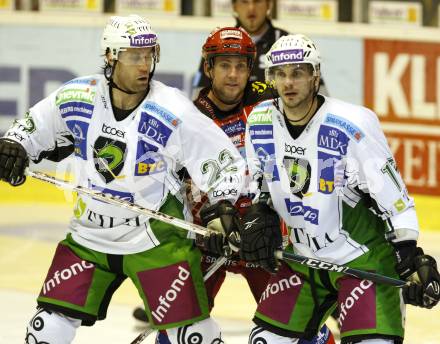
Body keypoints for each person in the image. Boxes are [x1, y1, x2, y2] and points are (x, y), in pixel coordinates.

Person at [0, 15, 247, 344]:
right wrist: (13, 146)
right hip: (90, 236)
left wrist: (223, 208)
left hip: (156, 240)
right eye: (134, 56)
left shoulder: (172, 108)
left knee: (192, 337)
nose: (145, 65)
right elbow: (31, 128)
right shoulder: (79, 97)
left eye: (149, 55)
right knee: (45, 328)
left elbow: (225, 162)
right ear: (111, 57)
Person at [134, 26, 335, 344]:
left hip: (264, 240)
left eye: (241, 65)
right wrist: (205, 222)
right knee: (176, 328)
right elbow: (170, 182)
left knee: (302, 329)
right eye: (225, 65)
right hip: (211, 240)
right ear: (208, 68)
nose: (233, 74)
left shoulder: (272, 105)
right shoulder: (188, 117)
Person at [240, 33, 440, 344]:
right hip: (303, 261)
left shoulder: (351, 124)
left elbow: (395, 198)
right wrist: (260, 210)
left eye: (298, 72)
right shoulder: (261, 120)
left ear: (315, 75)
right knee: (264, 340)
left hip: (362, 261)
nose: (288, 82)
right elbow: (263, 183)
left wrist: (410, 255)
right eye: (280, 74)